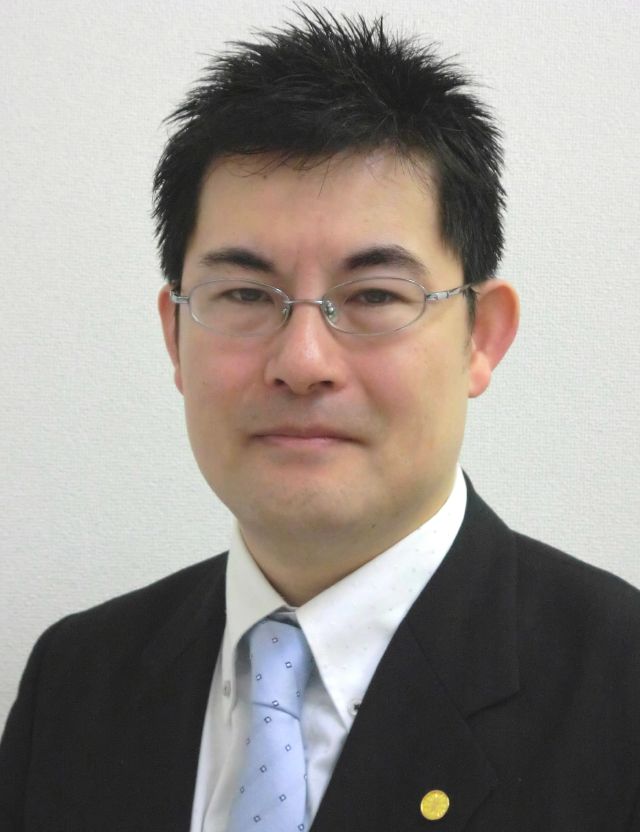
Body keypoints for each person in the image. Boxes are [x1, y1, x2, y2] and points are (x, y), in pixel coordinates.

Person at [1, 9, 639, 831]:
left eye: (373, 295)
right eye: (244, 294)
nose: (302, 361)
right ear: (174, 334)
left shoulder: (619, 693)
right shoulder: (75, 682)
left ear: (482, 337)